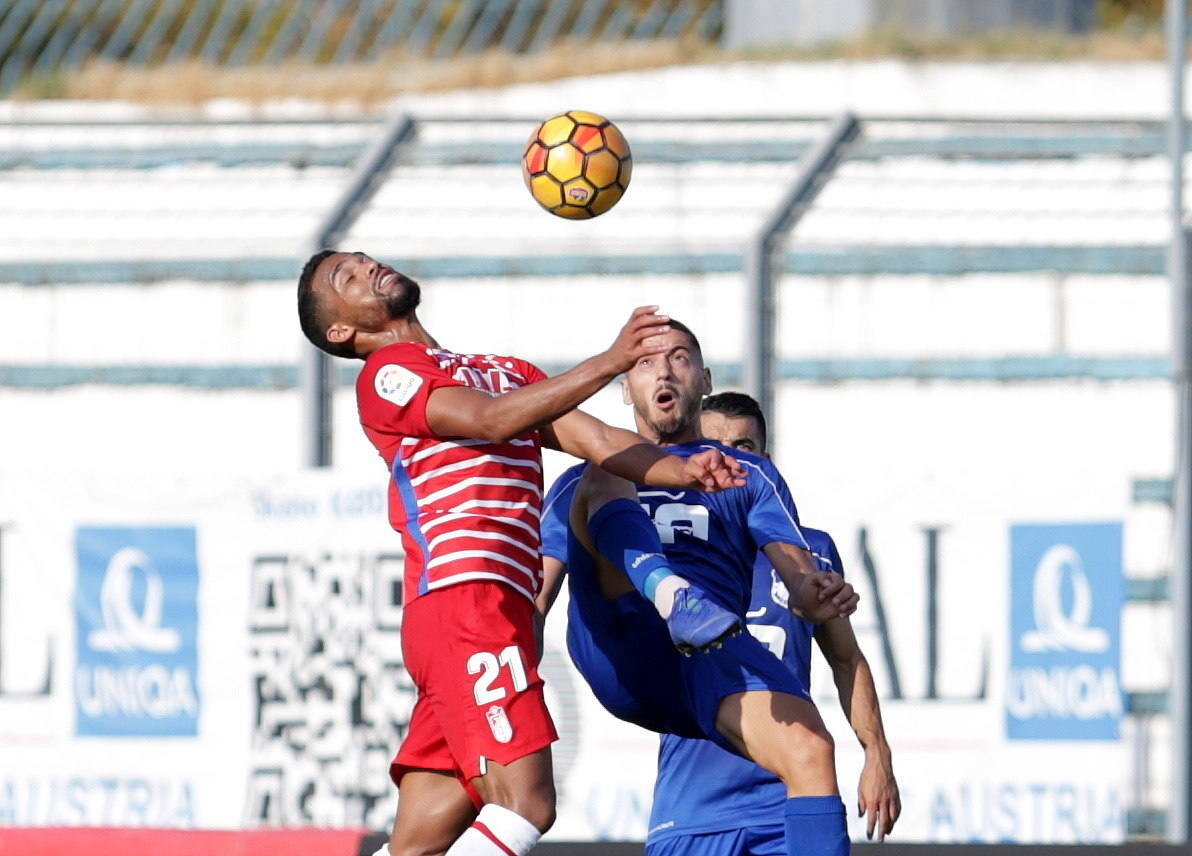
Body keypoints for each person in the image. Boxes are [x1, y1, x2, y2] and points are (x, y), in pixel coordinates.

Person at [296, 250, 745, 856]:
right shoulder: (386, 373)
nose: (368, 267)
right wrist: (610, 361)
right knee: (527, 803)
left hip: (495, 612)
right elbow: (490, 422)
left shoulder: (506, 369)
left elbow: (602, 441)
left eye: (363, 259)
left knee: (417, 843)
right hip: (465, 602)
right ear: (341, 331)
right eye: (346, 278)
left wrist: (685, 471)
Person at [538, 320, 859, 856]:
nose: (664, 369)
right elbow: (537, 597)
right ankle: (668, 592)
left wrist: (812, 593)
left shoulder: (745, 474)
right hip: (624, 646)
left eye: (680, 358)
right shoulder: (574, 484)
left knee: (810, 750)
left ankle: (684, 604)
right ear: (624, 386)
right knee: (606, 466)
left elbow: (797, 575)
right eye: (644, 362)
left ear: (704, 380)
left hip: (706, 656)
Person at [644, 391, 901, 856]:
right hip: (693, 808)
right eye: (710, 444)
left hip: (790, 801)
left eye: (742, 447)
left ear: (764, 461)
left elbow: (847, 659)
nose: (723, 458)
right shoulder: (670, 542)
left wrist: (876, 752)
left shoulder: (810, 554)